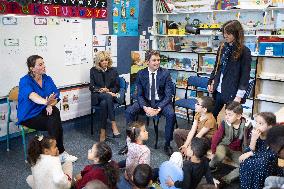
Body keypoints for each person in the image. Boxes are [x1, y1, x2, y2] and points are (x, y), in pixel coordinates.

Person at [17, 55, 77, 162]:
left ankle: (54, 154)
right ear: (32, 68)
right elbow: (32, 95)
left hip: (42, 111)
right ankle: (59, 153)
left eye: (43, 63)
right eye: (40, 64)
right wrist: (46, 102)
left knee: (54, 114)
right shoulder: (24, 81)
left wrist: (50, 104)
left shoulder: (47, 78)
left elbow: (55, 97)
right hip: (29, 116)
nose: (44, 66)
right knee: (54, 122)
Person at [125, 50, 175, 156]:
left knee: (171, 114)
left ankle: (167, 144)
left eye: (158, 60)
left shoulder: (165, 73)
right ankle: (130, 141)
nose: (157, 62)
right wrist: (145, 107)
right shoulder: (141, 73)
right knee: (129, 111)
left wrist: (159, 108)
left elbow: (168, 95)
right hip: (146, 101)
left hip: (161, 102)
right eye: (154, 60)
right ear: (147, 61)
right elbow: (139, 94)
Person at [207, 20, 252, 118]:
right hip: (218, 90)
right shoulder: (223, 47)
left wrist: (238, 97)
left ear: (237, 33)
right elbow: (217, 67)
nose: (225, 36)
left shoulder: (245, 52)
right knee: (210, 117)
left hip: (233, 93)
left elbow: (245, 76)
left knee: (229, 120)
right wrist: (210, 81)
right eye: (224, 33)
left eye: (228, 33)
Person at [209, 101, 251, 184]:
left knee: (246, 165)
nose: (227, 117)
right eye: (226, 114)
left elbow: (248, 142)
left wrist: (246, 154)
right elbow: (216, 138)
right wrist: (213, 152)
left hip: (238, 151)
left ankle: (224, 180)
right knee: (220, 151)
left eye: (230, 115)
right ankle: (211, 167)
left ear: (239, 116)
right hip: (225, 146)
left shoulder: (247, 126)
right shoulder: (225, 123)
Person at [239, 112, 281, 189]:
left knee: (260, 163)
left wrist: (252, 154)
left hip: (268, 162)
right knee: (245, 161)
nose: (256, 125)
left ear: (270, 126)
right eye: (256, 122)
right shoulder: (256, 133)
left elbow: (271, 155)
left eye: (260, 123)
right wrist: (253, 139)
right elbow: (247, 151)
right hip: (256, 158)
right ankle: (246, 186)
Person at [89, 51, 121, 141]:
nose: (105, 62)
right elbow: (91, 87)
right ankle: (113, 124)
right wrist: (100, 90)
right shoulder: (93, 70)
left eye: (106, 60)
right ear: (99, 61)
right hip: (97, 96)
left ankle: (102, 132)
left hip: (108, 97)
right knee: (107, 97)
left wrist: (109, 90)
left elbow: (117, 87)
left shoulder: (113, 70)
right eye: (102, 60)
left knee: (104, 103)